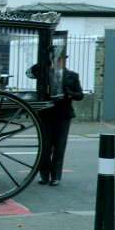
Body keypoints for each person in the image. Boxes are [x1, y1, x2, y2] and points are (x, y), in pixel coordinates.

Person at [37, 54, 83, 186]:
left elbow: (80, 95)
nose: (58, 62)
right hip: (47, 114)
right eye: (55, 60)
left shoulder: (72, 75)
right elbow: (32, 73)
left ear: (64, 61)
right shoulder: (46, 74)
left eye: (60, 60)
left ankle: (56, 176)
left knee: (59, 147)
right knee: (45, 147)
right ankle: (44, 175)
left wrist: (69, 93)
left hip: (63, 114)